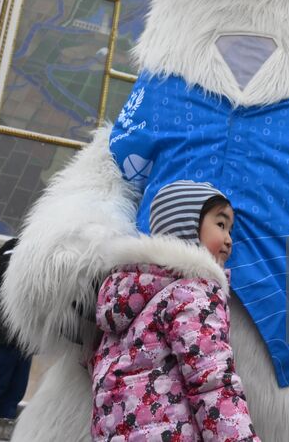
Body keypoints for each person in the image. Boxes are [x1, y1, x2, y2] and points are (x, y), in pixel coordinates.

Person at [91, 180, 260, 441]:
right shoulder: (193, 293)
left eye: (230, 229)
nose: (229, 240)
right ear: (187, 226)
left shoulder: (126, 295)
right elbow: (212, 382)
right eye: (220, 224)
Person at [0, 236, 32, 420]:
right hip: (6, 337)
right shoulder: (11, 254)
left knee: (15, 390)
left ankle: (3, 428)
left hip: (23, 339)